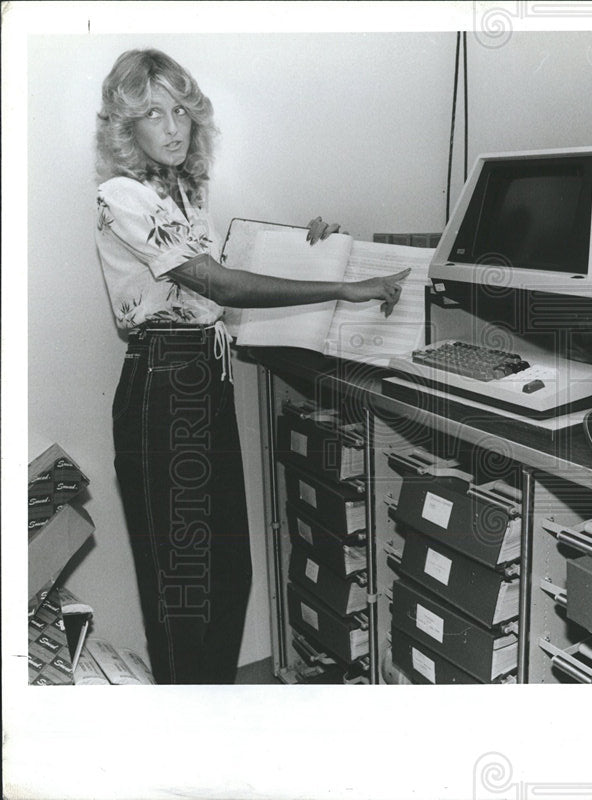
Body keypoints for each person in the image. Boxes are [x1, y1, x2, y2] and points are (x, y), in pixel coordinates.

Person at [94, 48, 409, 684]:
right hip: (164, 383)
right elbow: (227, 287)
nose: (174, 126)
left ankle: (212, 720)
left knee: (230, 571)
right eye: (154, 113)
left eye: (181, 109)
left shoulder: (185, 192)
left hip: (205, 376)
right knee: (185, 588)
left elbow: (237, 267)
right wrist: (340, 289)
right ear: (128, 127)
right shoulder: (121, 195)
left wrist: (314, 246)